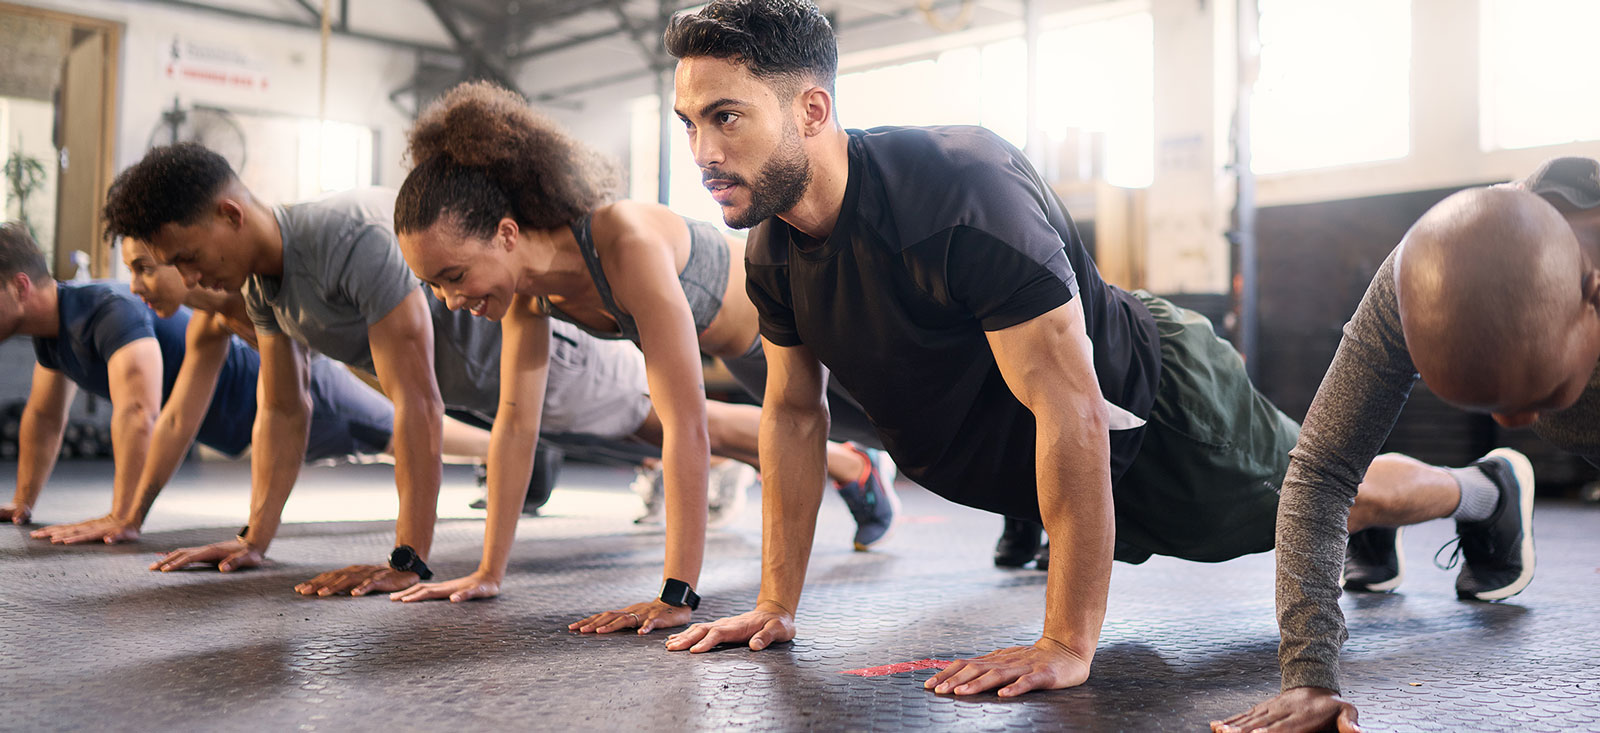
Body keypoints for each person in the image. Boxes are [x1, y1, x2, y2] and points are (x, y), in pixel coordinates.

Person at [653, 0, 1526, 704]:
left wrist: (1067, 642)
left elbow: (1072, 405)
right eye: (689, 121)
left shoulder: (961, 194)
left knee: (1328, 495)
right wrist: (775, 604)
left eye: (726, 117)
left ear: (812, 109)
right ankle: (1369, 534)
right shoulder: (772, 252)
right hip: (1063, 457)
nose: (702, 152)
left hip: (1160, 418)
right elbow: (794, 413)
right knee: (1329, 509)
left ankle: (1487, 488)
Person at [393, 80, 897, 554]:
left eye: (453, 276)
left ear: (505, 234)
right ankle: (857, 465)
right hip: (749, 358)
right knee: (868, 433)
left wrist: (676, 593)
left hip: (811, 324)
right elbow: (516, 426)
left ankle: (864, 466)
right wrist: (487, 574)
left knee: (925, 433)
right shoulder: (529, 296)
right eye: (434, 285)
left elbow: (684, 426)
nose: (446, 300)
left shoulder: (625, 240)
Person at [1215, 161, 1594, 733]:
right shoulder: (1414, 280)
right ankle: (1485, 494)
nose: (1514, 420)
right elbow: (1320, 473)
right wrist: (1309, 675)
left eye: (1540, 393)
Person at [0, 223, 428, 544]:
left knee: (411, 433)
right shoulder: (55, 337)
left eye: (144, 268)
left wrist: (121, 515)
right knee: (409, 432)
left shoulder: (110, 310)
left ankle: (489, 454)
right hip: (246, 423)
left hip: (289, 390)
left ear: (20, 287)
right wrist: (26, 504)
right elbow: (45, 416)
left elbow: (139, 412)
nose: (135, 282)